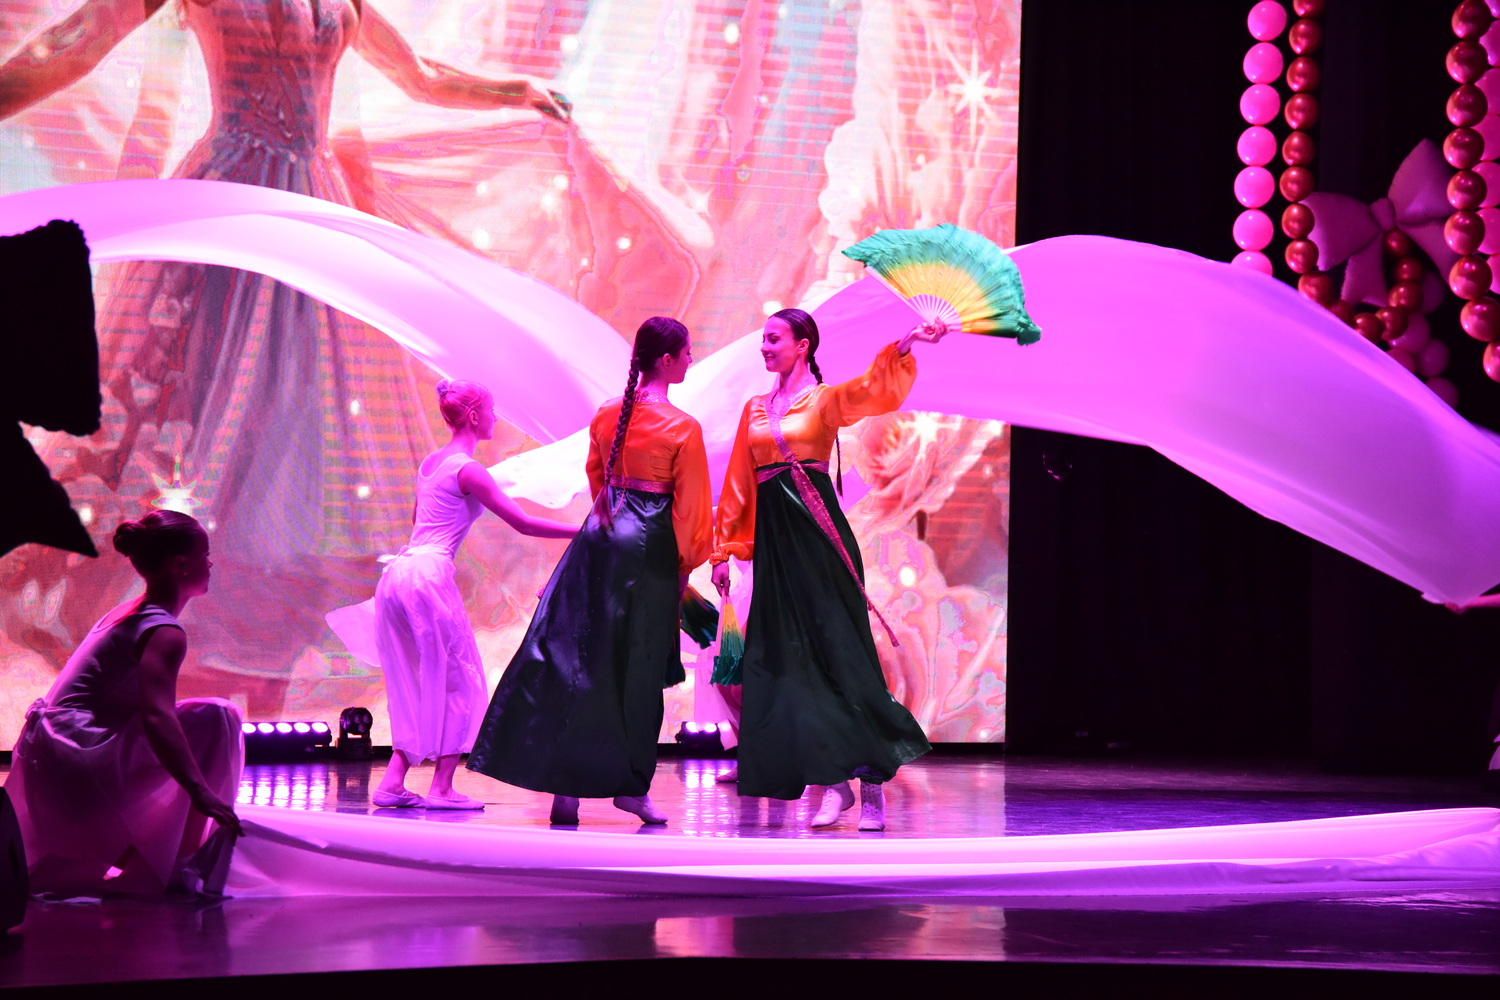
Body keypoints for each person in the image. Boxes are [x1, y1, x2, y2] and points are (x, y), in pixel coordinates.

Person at [468, 317, 713, 825]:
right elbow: (690, 508)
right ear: (667, 359)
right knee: (637, 670)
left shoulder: (608, 414)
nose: (691, 359)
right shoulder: (682, 427)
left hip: (600, 539)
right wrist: (686, 567)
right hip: (648, 546)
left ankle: (568, 789)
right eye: (688, 352)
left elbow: (598, 478)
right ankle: (631, 787)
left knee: (580, 661)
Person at [710, 308, 946, 830]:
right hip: (775, 550)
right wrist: (723, 550)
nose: (765, 347)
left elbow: (870, 389)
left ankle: (872, 786)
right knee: (787, 666)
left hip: (819, 541)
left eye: (774, 338)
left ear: (803, 346)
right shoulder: (755, 409)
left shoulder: (823, 400)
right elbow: (739, 485)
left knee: (842, 659)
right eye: (763, 339)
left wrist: (906, 343)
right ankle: (835, 785)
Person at [5, 510, 243, 894]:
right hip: (78, 761)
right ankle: (180, 862)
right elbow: (156, 715)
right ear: (181, 565)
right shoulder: (162, 630)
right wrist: (199, 789)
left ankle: (155, 851)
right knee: (219, 716)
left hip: (56, 759)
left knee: (201, 716)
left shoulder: (130, 612)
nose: (211, 563)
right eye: (205, 555)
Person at [371, 379, 577, 809]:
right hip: (427, 574)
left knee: (417, 679)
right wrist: (584, 531)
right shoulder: (468, 470)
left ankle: (393, 782)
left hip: (398, 573)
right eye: (491, 410)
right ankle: (442, 789)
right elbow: (523, 523)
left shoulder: (431, 463)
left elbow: (419, 520)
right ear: (473, 416)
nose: (495, 417)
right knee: (460, 679)